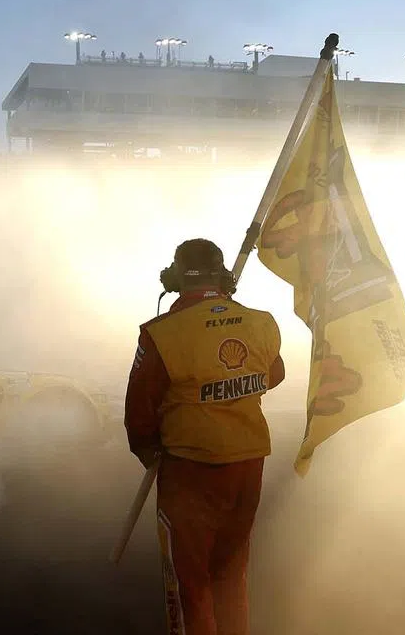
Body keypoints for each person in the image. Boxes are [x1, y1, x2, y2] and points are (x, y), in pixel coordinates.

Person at [124, 238, 286, 635]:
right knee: (231, 572)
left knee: (188, 582)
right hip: (249, 464)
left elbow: (139, 411)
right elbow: (275, 374)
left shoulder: (161, 333)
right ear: (224, 277)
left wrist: (147, 449)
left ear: (175, 277)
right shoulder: (261, 321)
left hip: (190, 469)